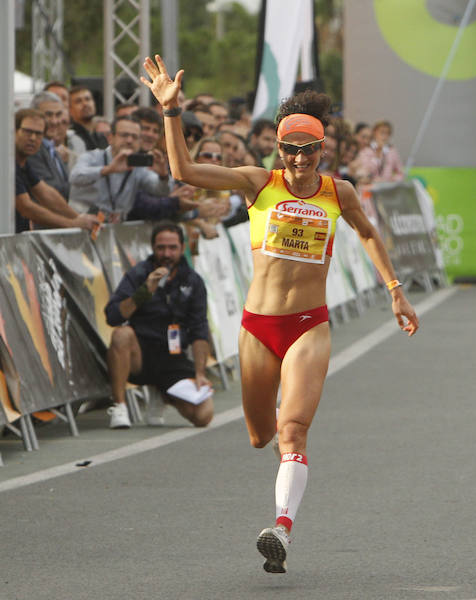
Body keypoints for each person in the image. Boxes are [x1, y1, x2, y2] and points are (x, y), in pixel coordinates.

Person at [141, 54, 419, 574]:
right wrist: (171, 112)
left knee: (293, 431)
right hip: (257, 327)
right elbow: (184, 171)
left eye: (309, 150)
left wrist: (395, 289)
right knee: (260, 435)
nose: (299, 159)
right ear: (279, 149)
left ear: (322, 149)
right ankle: (287, 469)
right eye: (290, 150)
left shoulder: (341, 192)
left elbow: (366, 232)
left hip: (309, 325)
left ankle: (282, 528)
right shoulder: (256, 183)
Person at [104, 222, 214, 429]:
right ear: (153, 248)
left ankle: (162, 394)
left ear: (182, 248)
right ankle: (119, 406)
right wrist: (144, 291)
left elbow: (199, 329)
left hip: (173, 356)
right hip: (140, 355)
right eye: (161, 248)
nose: (166, 253)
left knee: (204, 416)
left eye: (172, 248)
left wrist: (200, 373)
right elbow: (113, 316)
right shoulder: (139, 274)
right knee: (121, 335)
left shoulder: (193, 281)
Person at [69, 115, 173, 220]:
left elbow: (162, 191)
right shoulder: (92, 157)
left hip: (114, 228)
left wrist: (163, 175)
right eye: (124, 135)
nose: (129, 140)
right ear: (110, 138)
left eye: (135, 137)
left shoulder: (138, 166)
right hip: (80, 223)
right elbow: (74, 177)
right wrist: (108, 169)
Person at [13, 109, 98, 233]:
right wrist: (72, 223)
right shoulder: (6, 164)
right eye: (27, 132)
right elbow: (26, 207)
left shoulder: (23, 164)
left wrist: (78, 218)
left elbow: (45, 193)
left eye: (38, 134)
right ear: (14, 131)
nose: (33, 138)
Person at [27, 91, 71, 202]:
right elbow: (49, 192)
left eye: (58, 114)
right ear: (34, 115)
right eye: (48, 115)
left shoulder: (52, 149)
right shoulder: (31, 149)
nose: (54, 121)